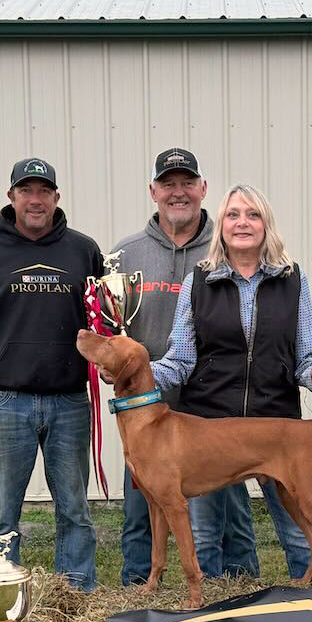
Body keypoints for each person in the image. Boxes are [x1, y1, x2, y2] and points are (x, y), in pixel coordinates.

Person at [152, 184, 312, 580]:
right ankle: (206, 619)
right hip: (208, 429)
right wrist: (138, 372)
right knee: (203, 538)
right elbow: (180, 361)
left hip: (274, 426)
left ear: (266, 224)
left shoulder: (293, 280)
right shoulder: (197, 283)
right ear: (221, 226)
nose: (242, 223)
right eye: (233, 215)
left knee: (301, 535)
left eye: (252, 214)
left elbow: (305, 353)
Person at [0, 157, 104, 590]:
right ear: (11, 196)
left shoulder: (83, 250)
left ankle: (75, 599)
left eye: (44, 191)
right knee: (1, 512)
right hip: (5, 400)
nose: (35, 200)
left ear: (56, 197)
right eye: (26, 191)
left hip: (70, 400)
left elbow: (102, 323)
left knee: (74, 509)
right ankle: (4, 601)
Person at [109, 148, 258, 587]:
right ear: (153, 191)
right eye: (168, 184)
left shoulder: (228, 245)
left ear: (202, 189)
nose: (178, 192)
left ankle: (238, 589)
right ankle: (140, 590)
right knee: (141, 510)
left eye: (187, 183)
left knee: (229, 510)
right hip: (144, 414)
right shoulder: (124, 256)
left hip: (211, 409)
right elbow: (110, 327)